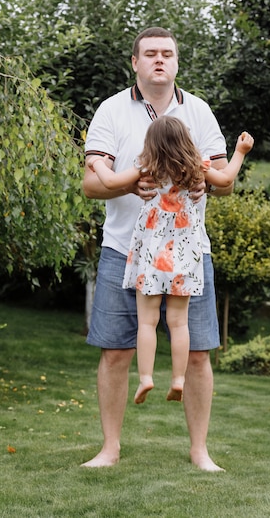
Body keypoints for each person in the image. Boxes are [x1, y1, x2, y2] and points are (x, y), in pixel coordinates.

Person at [82, 26, 236, 472]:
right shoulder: (112, 110)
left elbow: (224, 183)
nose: (159, 60)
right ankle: (110, 449)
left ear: (176, 62)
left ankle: (199, 451)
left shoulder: (200, 112)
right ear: (135, 62)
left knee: (201, 353)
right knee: (115, 352)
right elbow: (93, 184)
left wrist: (191, 176)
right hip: (122, 249)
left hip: (188, 252)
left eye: (167, 53)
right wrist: (134, 178)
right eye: (149, 53)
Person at [87, 116, 253, 406]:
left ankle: (146, 377)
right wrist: (240, 152)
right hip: (185, 255)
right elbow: (226, 179)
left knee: (147, 323)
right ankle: (178, 379)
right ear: (187, 142)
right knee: (179, 323)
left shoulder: (147, 167)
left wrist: (98, 164)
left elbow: (111, 181)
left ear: (151, 144)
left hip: (152, 256)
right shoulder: (198, 168)